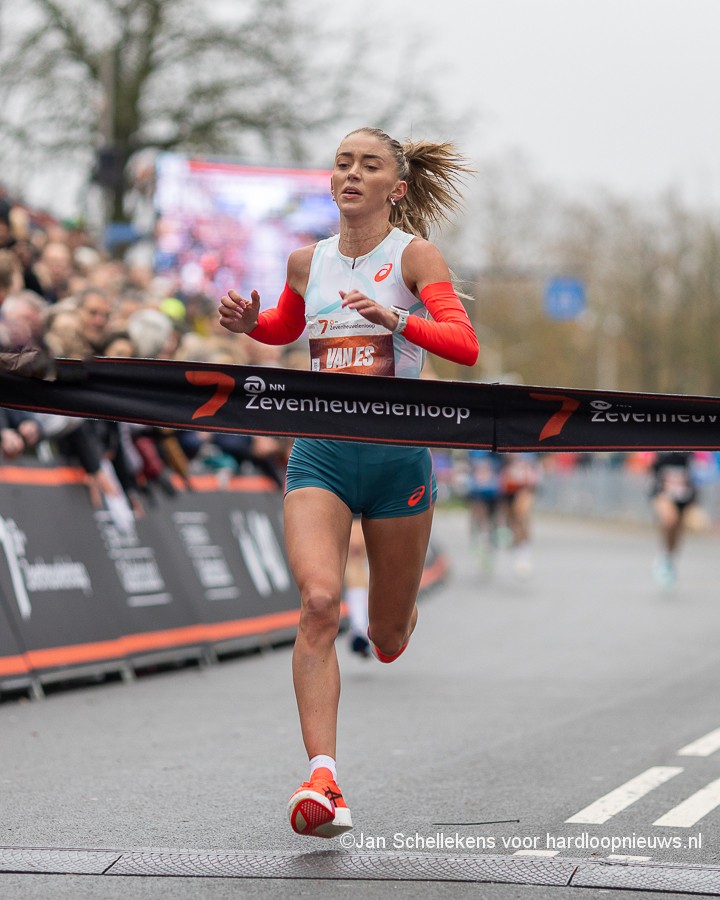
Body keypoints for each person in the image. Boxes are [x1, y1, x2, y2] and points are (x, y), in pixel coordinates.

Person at [219, 126, 478, 840]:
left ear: (396, 188)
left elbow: (465, 343)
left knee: (389, 636)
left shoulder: (414, 255)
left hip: (399, 464)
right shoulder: (309, 260)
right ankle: (322, 777)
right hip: (322, 456)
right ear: (331, 181)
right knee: (320, 603)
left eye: (368, 166)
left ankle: (396, 619)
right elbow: (287, 325)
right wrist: (254, 323)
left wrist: (398, 317)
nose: (351, 174)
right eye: (342, 164)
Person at [649, 451, 699, 588]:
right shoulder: (661, 452)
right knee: (670, 519)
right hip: (663, 491)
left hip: (683, 494)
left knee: (678, 530)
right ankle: (664, 558)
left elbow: (693, 473)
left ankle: (667, 558)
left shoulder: (689, 454)